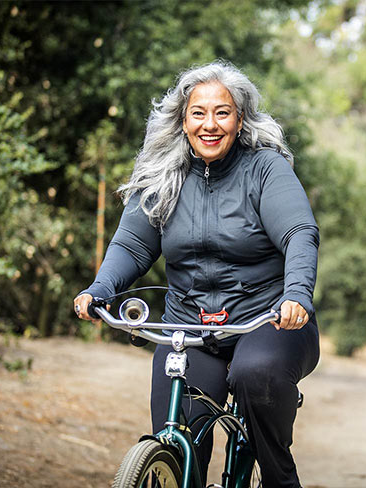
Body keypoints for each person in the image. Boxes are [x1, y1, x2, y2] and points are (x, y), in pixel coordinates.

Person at [74, 61, 320, 488]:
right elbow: (132, 245)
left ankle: (280, 478)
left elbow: (300, 232)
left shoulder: (265, 169)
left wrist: (296, 294)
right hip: (189, 328)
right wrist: (100, 290)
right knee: (179, 434)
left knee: (255, 374)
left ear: (239, 119)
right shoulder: (162, 175)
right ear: (183, 120)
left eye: (222, 112)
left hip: (268, 321)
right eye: (198, 113)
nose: (210, 124)